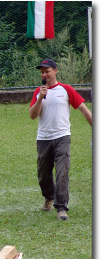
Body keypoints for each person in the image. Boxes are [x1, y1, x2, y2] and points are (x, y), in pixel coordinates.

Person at [29, 58, 92, 220]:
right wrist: (39, 99)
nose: (44, 74)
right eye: (42, 72)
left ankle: (61, 207)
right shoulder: (38, 92)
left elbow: (84, 109)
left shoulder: (66, 89)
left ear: (55, 71)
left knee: (62, 172)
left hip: (62, 136)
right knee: (43, 175)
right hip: (43, 138)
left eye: (47, 71)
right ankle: (49, 197)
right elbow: (32, 115)